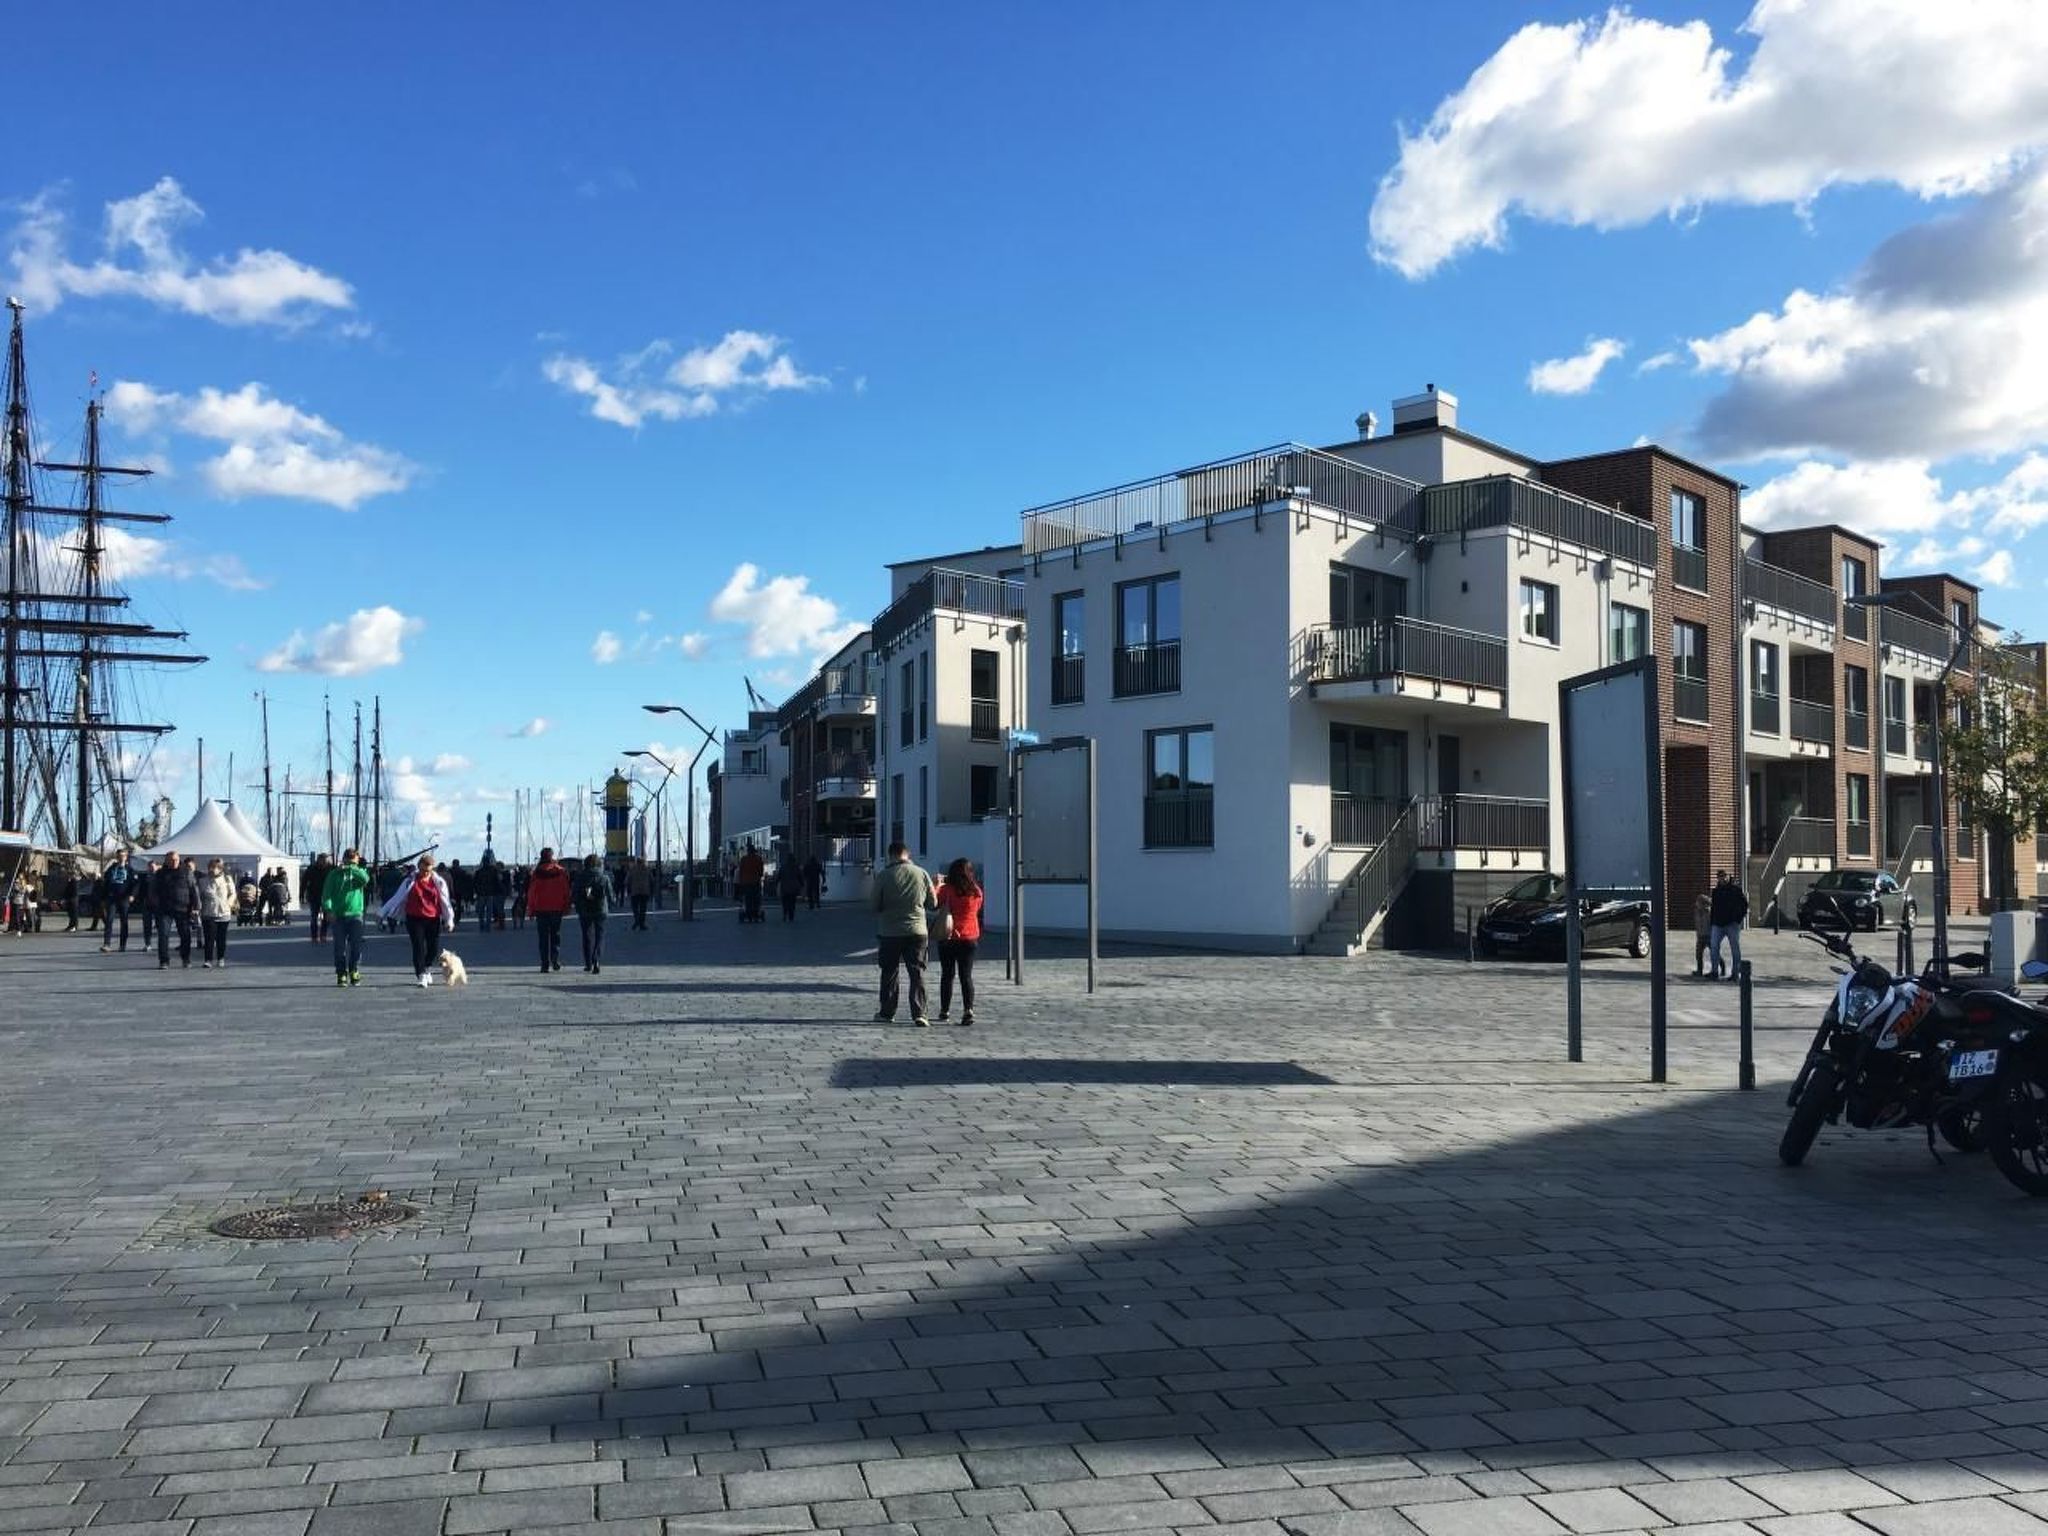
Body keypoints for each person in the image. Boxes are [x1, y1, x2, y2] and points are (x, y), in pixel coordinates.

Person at [871, 842, 937, 1026]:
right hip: (917, 931)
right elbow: (933, 903)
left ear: (890, 854)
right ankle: (920, 1013)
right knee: (917, 973)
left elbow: (874, 905)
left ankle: (887, 1012)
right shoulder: (921, 873)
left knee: (889, 972)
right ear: (908, 854)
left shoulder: (884, 876)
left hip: (890, 932)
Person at [382, 854, 454, 987]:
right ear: (419, 867)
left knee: (433, 949)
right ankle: (421, 974)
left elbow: (445, 901)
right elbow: (397, 898)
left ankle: (426, 967)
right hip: (414, 918)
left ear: (432, 869)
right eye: (422, 870)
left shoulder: (438, 882)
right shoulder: (409, 881)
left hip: (433, 918)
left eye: (428, 870)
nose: (425, 873)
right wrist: (382, 913)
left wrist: (449, 920)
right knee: (418, 947)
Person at [934, 858, 984, 1027]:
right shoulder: (976, 891)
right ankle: (968, 1010)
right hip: (969, 938)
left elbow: (934, 903)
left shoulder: (947, 890)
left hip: (948, 937)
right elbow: (977, 909)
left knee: (947, 975)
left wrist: (938, 884)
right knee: (966, 976)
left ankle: (944, 1010)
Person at [322, 848, 372, 987]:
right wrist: (329, 910)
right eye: (349, 859)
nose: (351, 862)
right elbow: (327, 893)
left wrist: (352, 868)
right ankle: (341, 973)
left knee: (356, 946)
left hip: (356, 914)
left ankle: (354, 969)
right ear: (343, 859)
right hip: (338, 915)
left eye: (354, 859)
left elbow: (365, 879)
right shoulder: (334, 874)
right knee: (340, 947)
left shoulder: (360, 872)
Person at [152, 851, 200, 969]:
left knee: (185, 935)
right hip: (165, 909)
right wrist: (155, 904)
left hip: (183, 908)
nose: (174, 862)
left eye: (176, 860)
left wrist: (196, 906)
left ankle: (186, 958)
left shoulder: (186, 872)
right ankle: (164, 961)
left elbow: (194, 890)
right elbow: (153, 891)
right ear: (166, 861)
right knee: (163, 934)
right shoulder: (160, 874)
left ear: (179, 860)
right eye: (171, 860)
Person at [527, 847, 570, 973]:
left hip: (541, 909)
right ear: (552, 856)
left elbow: (532, 893)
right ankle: (555, 960)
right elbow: (566, 890)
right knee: (555, 935)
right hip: (556, 908)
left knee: (543, 937)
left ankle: (544, 964)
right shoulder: (561, 872)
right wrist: (566, 906)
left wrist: (531, 909)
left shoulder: (537, 873)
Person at [1709, 869, 1749, 981]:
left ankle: (1735, 973)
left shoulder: (1736, 890)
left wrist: (1738, 919)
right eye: (1720, 876)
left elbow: (1744, 905)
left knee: (1734, 948)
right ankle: (1714, 971)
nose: (1722, 878)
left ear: (1728, 876)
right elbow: (1713, 908)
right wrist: (1712, 923)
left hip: (1732, 924)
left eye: (1724, 876)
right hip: (1718, 923)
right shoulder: (1716, 891)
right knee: (1713, 946)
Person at [573, 854, 610, 973]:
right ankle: (596, 959)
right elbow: (610, 894)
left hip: (584, 909)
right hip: (600, 909)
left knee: (587, 936)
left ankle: (588, 963)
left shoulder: (580, 877)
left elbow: (575, 894)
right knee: (600, 936)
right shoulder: (604, 877)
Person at [196, 857, 235, 969]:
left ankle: (220, 958)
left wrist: (229, 904)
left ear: (221, 869)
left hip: (224, 913)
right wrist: (198, 908)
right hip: (208, 913)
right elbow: (199, 896)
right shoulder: (203, 881)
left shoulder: (227, 879)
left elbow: (233, 893)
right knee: (209, 937)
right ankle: (208, 960)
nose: (213, 869)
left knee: (221, 938)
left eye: (216, 867)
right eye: (211, 867)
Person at [100, 849, 135, 953]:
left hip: (124, 898)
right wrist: (103, 898)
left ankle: (122, 944)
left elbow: (135, 884)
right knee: (109, 920)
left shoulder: (130, 869)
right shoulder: (111, 869)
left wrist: (132, 895)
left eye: (123, 856)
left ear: (126, 857)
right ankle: (106, 944)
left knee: (124, 921)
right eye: (119, 856)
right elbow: (105, 884)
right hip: (112, 898)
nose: (121, 858)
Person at [304, 854, 333, 944]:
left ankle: (323, 934)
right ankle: (314, 936)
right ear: (318, 860)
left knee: (326, 916)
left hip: (327, 896)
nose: (324, 862)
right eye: (323, 860)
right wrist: (302, 894)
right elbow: (304, 881)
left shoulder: (331, 869)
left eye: (326, 860)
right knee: (314, 917)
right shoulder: (311, 869)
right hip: (314, 895)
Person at [736, 841, 765, 924]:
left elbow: (741, 871)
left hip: (746, 882)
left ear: (748, 851)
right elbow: (761, 871)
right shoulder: (758, 859)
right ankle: (755, 913)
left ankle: (748, 914)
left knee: (747, 898)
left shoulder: (744, 859)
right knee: (756, 898)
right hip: (756, 881)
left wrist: (741, 882)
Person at [473, 854, 504, 933]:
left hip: (481, 894)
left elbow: (475, 883)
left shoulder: (479, 872)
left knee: (481, 911)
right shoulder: (493, 871)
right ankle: (487, 926)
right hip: (490, 893)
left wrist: (476, 892)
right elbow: (497, 882)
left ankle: (482, 925)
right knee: (489, 911)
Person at [138, 859, 160, 948]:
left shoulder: (160, 876)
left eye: (153, 866)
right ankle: (148, 943)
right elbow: (140, 888)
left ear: (157, 866)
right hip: (146, 903)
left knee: (160, 924)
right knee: (147, 925)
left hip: (158, 904)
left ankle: (161, 942)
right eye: (150, 867)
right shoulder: (144, 877)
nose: (151, 868)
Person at [626, 857, 652, 930]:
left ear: (636, 862)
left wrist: (628, 890)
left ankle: (637, 920)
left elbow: (627, 880)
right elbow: (652, 880)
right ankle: (642, 924)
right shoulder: (647, 870)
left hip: (635, 892)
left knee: (635, 908)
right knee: (643, 909)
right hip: (645, 891)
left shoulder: (632, 870)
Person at [776, 855, 804, 922]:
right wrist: (802, 884)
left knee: (785, 902)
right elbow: (800, 877)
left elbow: (779, 876)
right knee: (792, 902)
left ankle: (785, 914)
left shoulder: (783, 867)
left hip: (785, 888)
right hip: (793, 888)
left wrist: (776, 882)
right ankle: (791, 916)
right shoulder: (796, 868)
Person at [1693, 889, 1713, 979]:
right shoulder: (1697, 912)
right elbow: (1697, 923)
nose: (1697, 904)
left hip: (1709, 936)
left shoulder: (1709, 912)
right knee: (1698, 954)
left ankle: (1722, 966)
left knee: (1714, 953)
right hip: (1700, 936)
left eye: (1698, 902)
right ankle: (1699, 970)